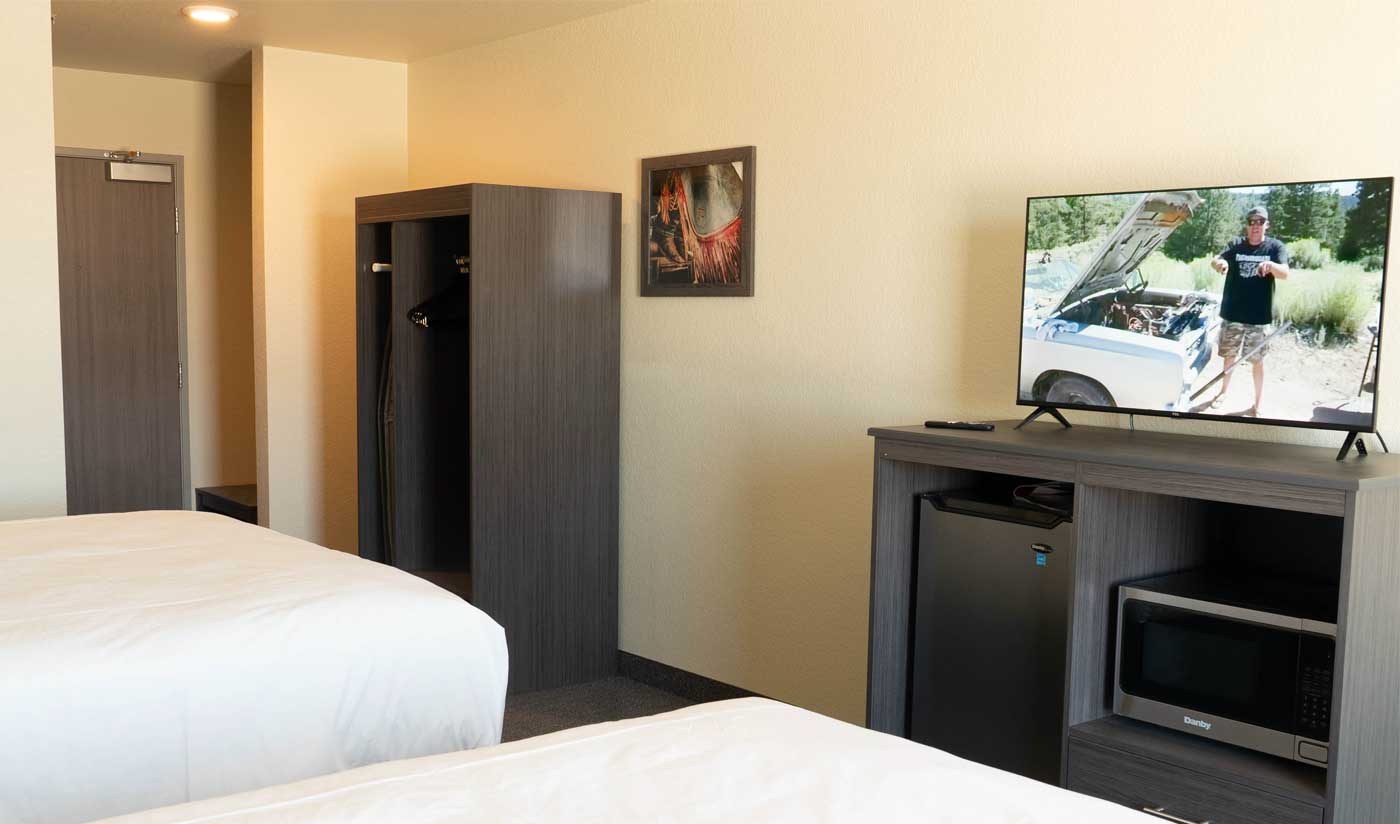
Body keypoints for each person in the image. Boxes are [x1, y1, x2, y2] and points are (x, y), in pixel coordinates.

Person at [1203, 206, 1290, 416]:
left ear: (1266, 225)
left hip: (1258, 318)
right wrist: (1220, 263)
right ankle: (1223, 393)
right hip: (1233, 314)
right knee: (1229, 356)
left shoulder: (1275, 247)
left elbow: (1285, 273)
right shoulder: (1235, 245)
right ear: (1247, 225)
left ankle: (1257, 405)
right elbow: (1216, 259)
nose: (1255, 226)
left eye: (1260, 222)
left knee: (1257, 361)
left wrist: (1270, 265)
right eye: (1252, 222)